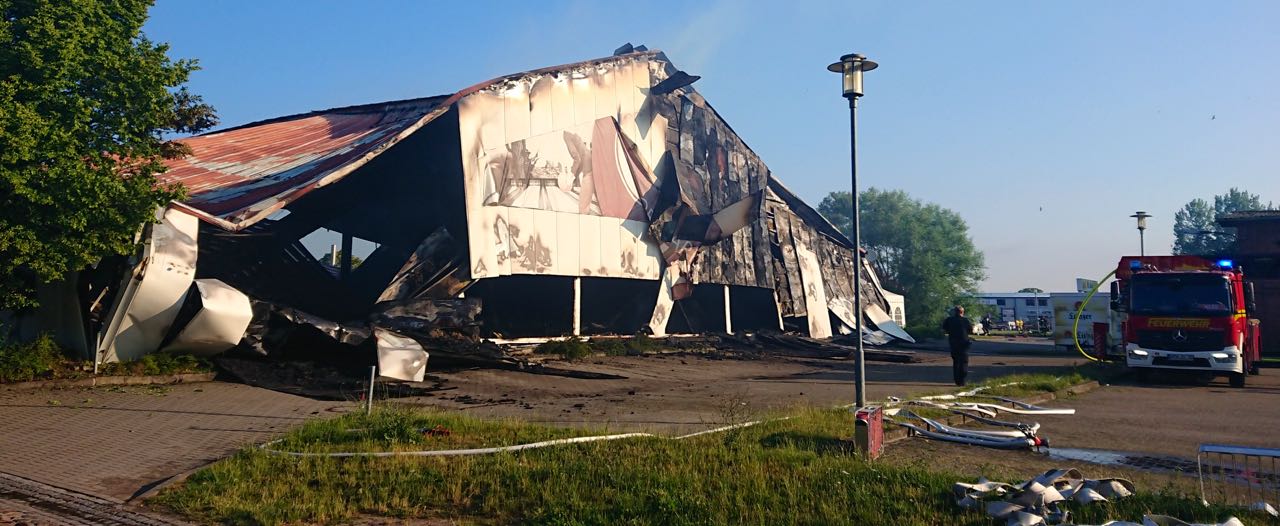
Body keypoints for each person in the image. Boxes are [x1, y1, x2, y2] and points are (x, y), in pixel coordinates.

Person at [941, 306, 975, 386]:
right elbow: (971, 330)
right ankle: (962, 380)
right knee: (964, 361)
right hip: (964, 343)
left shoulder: (949, 320)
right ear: (962, 312)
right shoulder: (965, 320)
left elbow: (944, 329)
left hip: (953, 343)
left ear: (954, 312)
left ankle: (957, 380)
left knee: (956, 361)